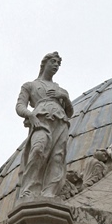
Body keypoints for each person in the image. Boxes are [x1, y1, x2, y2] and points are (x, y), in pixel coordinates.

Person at [16, 53, 73, 200]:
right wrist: (30, 115)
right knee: (37, 150)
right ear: (44, 64)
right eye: (53, 62)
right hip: (41, 121)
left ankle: (50, 191)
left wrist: (64, 97)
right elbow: (19, 106)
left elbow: (70, 112)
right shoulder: (30, 86)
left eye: (58, 64)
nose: (56, 65)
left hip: (60, 122)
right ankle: (28, 190)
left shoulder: (61, 90)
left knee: (57, 157)